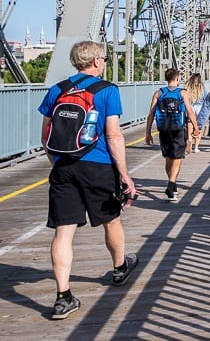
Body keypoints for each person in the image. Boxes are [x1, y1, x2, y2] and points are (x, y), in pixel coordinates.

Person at [38, 40, 139, 320]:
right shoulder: (107, 90)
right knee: (111, 219)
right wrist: (125, 175)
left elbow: (45, 136)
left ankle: (62, 297)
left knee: (63, 231)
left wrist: (57, 164)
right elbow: (114, 135)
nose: (104, 62)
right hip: (98, 166)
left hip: (63, 167)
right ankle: (120, 268)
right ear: (96, 61)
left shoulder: (57, 90)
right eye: (104, 58)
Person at [145, 68, 201, 201]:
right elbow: (189, 111)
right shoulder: (182, 93)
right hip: (178, 128)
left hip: (163, 129)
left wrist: (148, 133)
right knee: (177, 157)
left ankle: (172, 184)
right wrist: (196, 127)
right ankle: (171, 183)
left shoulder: (158, 93)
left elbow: (151, 114)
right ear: (177, 79)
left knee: (168, 157)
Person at [185, 73, 205, 153]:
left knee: (190, 125)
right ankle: (196, 147)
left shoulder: (187, 86)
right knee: (199, 127)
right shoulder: (202, 86)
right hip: (199, 107)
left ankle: (189, 139)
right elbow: (206, 97)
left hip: (191, 107)